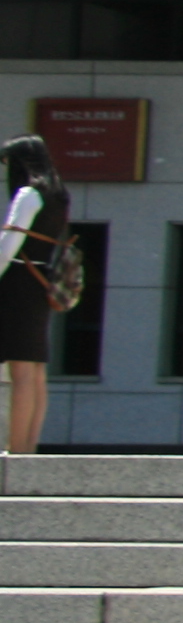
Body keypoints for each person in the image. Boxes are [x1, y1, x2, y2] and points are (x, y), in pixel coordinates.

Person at [1, 135, 72, 457]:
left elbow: (8, 248)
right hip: (42, 281)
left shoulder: (28, 194)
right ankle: (27, 448)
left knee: (20, 371)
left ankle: (15, 449)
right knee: (35, 369)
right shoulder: (59, 195)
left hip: (18, 281)